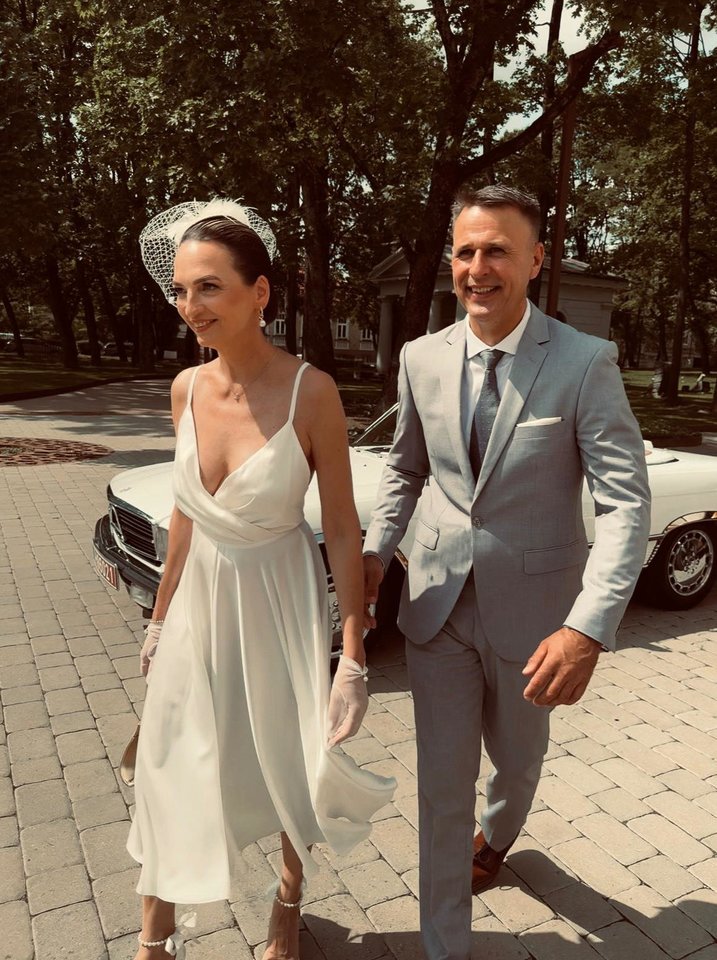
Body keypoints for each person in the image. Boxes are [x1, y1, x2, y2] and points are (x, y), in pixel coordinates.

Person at [363, 185, 651, 960]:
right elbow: (405, 469)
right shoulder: (420, 358)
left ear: (533, 259)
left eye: (496, 250)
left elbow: (624, 504)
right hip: (436, 607)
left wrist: (587, 627)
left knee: (517, 763)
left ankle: (497, 839)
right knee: (440, 785)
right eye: (464, 251)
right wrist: (373, 553)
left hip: (535, 621)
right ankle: (444, 945)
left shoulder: (584, 362)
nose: (477, 267)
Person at [127, 200, 395, 960]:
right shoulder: (184, 388)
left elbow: (341, 526)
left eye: (209, 287)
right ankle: (154, 939)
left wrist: (353, 655)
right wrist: (159, 619)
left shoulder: (312, 391)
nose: (192, 306)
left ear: (260, 293)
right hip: (199, 604)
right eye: (182, 290)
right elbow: (186, 516)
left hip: (279, 596)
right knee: (168, 761)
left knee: (285, 756)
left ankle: (288, 898)